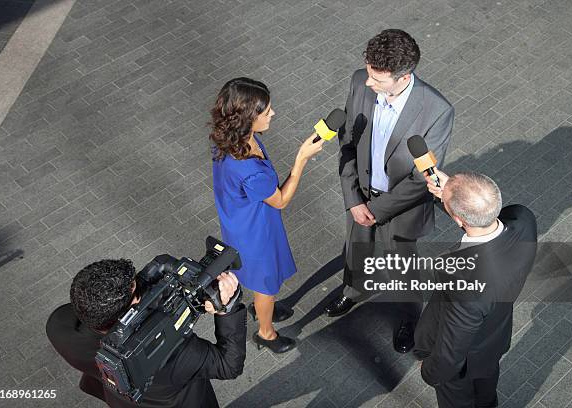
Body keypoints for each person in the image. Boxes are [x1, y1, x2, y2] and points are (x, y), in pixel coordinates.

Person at [327, 28, 454, 354]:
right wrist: (354, 199)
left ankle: (409, 319)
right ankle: (353, 290)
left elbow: (421, 177)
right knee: (356, 250)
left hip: (401, 207)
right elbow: (347, 144)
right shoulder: (359, 81)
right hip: (361, 196)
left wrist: (378, 212)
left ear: (403, 76)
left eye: (377, 79)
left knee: (403, 267)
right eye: (368, 73)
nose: (368, 84)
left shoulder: (437, 111)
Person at [210, 77, 324, 353]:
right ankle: (266, 332)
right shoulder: (250, 168)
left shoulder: (234, 140)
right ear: (248, 118)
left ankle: (265, 310)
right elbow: (281, 200)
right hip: (255, 233)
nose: (273, 113)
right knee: (266, 285)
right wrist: (301, 159)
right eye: (266, 111)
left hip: (243, 221)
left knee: (266, 281)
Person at [46, 259, 245, 408]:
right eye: (139, 290)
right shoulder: (174, 353)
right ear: (128, 313)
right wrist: (227, 309)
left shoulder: (58, 324)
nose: (144, 287)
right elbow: (229, 365)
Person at [414, 169, 538, 408]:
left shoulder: (466, 286)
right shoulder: (524, 220)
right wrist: (452, 193)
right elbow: (484, 221)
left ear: (460, 221)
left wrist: (429, 372)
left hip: (463, 363)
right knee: (486, 391)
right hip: (494, 340)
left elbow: (450, 355)